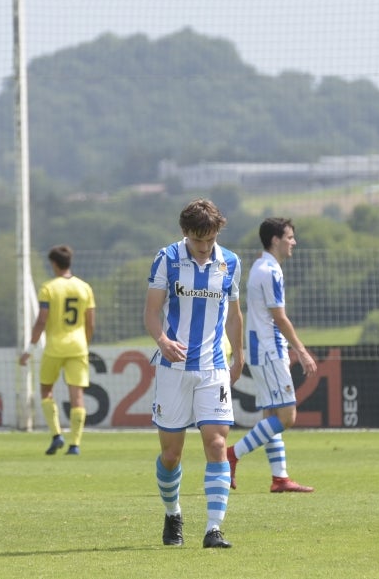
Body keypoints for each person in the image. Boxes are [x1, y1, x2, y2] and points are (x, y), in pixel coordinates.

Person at [144, 199, 244, 549]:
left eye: (210, 240)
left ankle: (213, 529)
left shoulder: (229, 262)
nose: (204, 248)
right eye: (198, 241)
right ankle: (173, 514)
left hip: (213, 367)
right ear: (185, 233)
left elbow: (233, 314)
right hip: (173, 369)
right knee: (171, 455)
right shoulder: (167, 259)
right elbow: (152, 311)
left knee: (217, 444)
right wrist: (162, 339)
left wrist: (239, 353)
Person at [228, 218, 318, 493]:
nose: (294, 242)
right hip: (269, 351)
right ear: (275, 240)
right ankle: (232, 454)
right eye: (290, 237)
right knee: (287, 416)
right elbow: (279, 317)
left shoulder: (261, 266)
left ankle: (280, 478)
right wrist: (301, 351)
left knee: (272, 415)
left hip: (261, 350)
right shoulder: (269, 271)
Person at [19, 245, 96, 456]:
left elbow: (41, 321)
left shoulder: (48, 288)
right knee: (77, 396)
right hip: (78, 346)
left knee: (46, 390)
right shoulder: (84, 287)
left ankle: (56, 435)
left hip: (54, 347)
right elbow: (90, 323)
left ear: (54, 264)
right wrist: (84, 343)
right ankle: (75, 444)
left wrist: (29, 349)